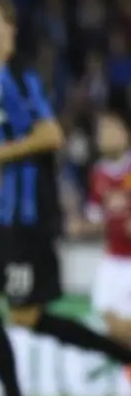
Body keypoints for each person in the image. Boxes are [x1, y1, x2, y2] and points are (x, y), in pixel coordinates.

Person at [0, 0, 131, 396]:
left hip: (29, 216)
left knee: (25, 316)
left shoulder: (18, 74)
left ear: (10, 29)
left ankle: (125, 356)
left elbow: (51, 135)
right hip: (4, 214)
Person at [70, 112, 131, 377]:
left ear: (126, 134)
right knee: (112, 325)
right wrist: (82, 226)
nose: (106, 135)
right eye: (102, 131)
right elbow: (97, 217)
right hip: (113, 258)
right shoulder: (98, 173)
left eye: (112, 129)